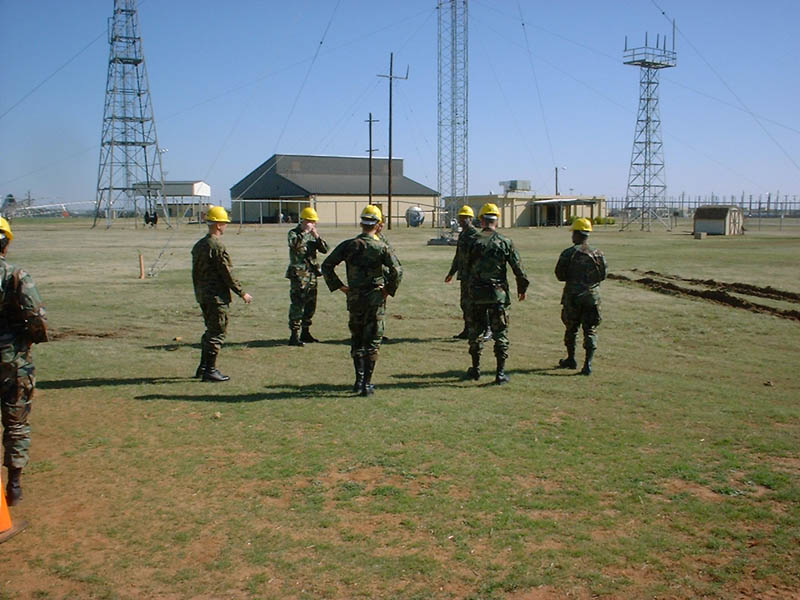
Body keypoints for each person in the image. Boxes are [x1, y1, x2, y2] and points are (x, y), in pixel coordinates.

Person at [321, 205, 402, 396]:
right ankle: (367, 384)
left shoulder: (349, 245)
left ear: (361, 223)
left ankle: (358, 381)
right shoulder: (381, 247)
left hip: (355, 298)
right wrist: (388, 290)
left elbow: (327, 265)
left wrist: (341, 287)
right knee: (373, 341)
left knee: (357, 339)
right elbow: (397, 270)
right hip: (375, 298)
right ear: (378, 224)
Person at [0, 217, 48, 506]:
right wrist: (32, 339)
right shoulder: (16, 276)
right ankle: (14, 486)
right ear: (6, 244)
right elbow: (37, 317)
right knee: (16, 423)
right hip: (13, 360)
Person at [464, 203, 528, 385]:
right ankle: (500, 373)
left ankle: (475, 368)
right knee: (500, 333)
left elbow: (465, 267)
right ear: (496, 220)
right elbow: (518, 268)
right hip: (498, 295)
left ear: (481, 220)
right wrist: (522, 288)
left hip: (477, 294)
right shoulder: (504, 241)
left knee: (476, 332)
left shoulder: (472, 241)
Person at [191, 206, 253, 382]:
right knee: (217, 333)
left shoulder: (200, 245)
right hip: (216, 296)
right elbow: (227, 273)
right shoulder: (217, 246)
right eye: (224, 223)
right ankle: (210, 370)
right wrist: (242, 293)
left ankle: (203, 367)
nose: (226, 226)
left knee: (210, 331)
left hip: (203, 294)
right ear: (218, 225)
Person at [555, 217, 607, 375]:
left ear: (576, 234)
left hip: (573, 297)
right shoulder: (598, 254)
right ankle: (587, 364)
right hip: (592, 297)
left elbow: (560, 275)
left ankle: (571, 359)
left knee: (571, 329)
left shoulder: (568, 253)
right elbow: (603, 275)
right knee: (590, 330)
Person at [286, 207, 328, 346]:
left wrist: (317, 236)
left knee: (311, 305)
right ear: (304, 221)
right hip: (299, 275)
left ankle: (306, 332)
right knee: (298, 304)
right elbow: (294, 245)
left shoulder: (312, 235)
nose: (313, 224)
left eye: (314, 222)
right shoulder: (294, 233)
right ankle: (294, 335)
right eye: (311, 221)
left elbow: (325, 249)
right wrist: (304, 233)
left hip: (311, 274)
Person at [444, 205, 479, 339]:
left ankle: (484, 329)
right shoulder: (463, 234)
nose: (461, 220)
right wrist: (451, 273)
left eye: (464, 217)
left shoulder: (475, 235)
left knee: (476, 303)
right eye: (460, 217)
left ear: (470, 218)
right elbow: (458, 256)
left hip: (474, 276)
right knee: (464, 303)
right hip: (464, 275)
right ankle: (467, 329)